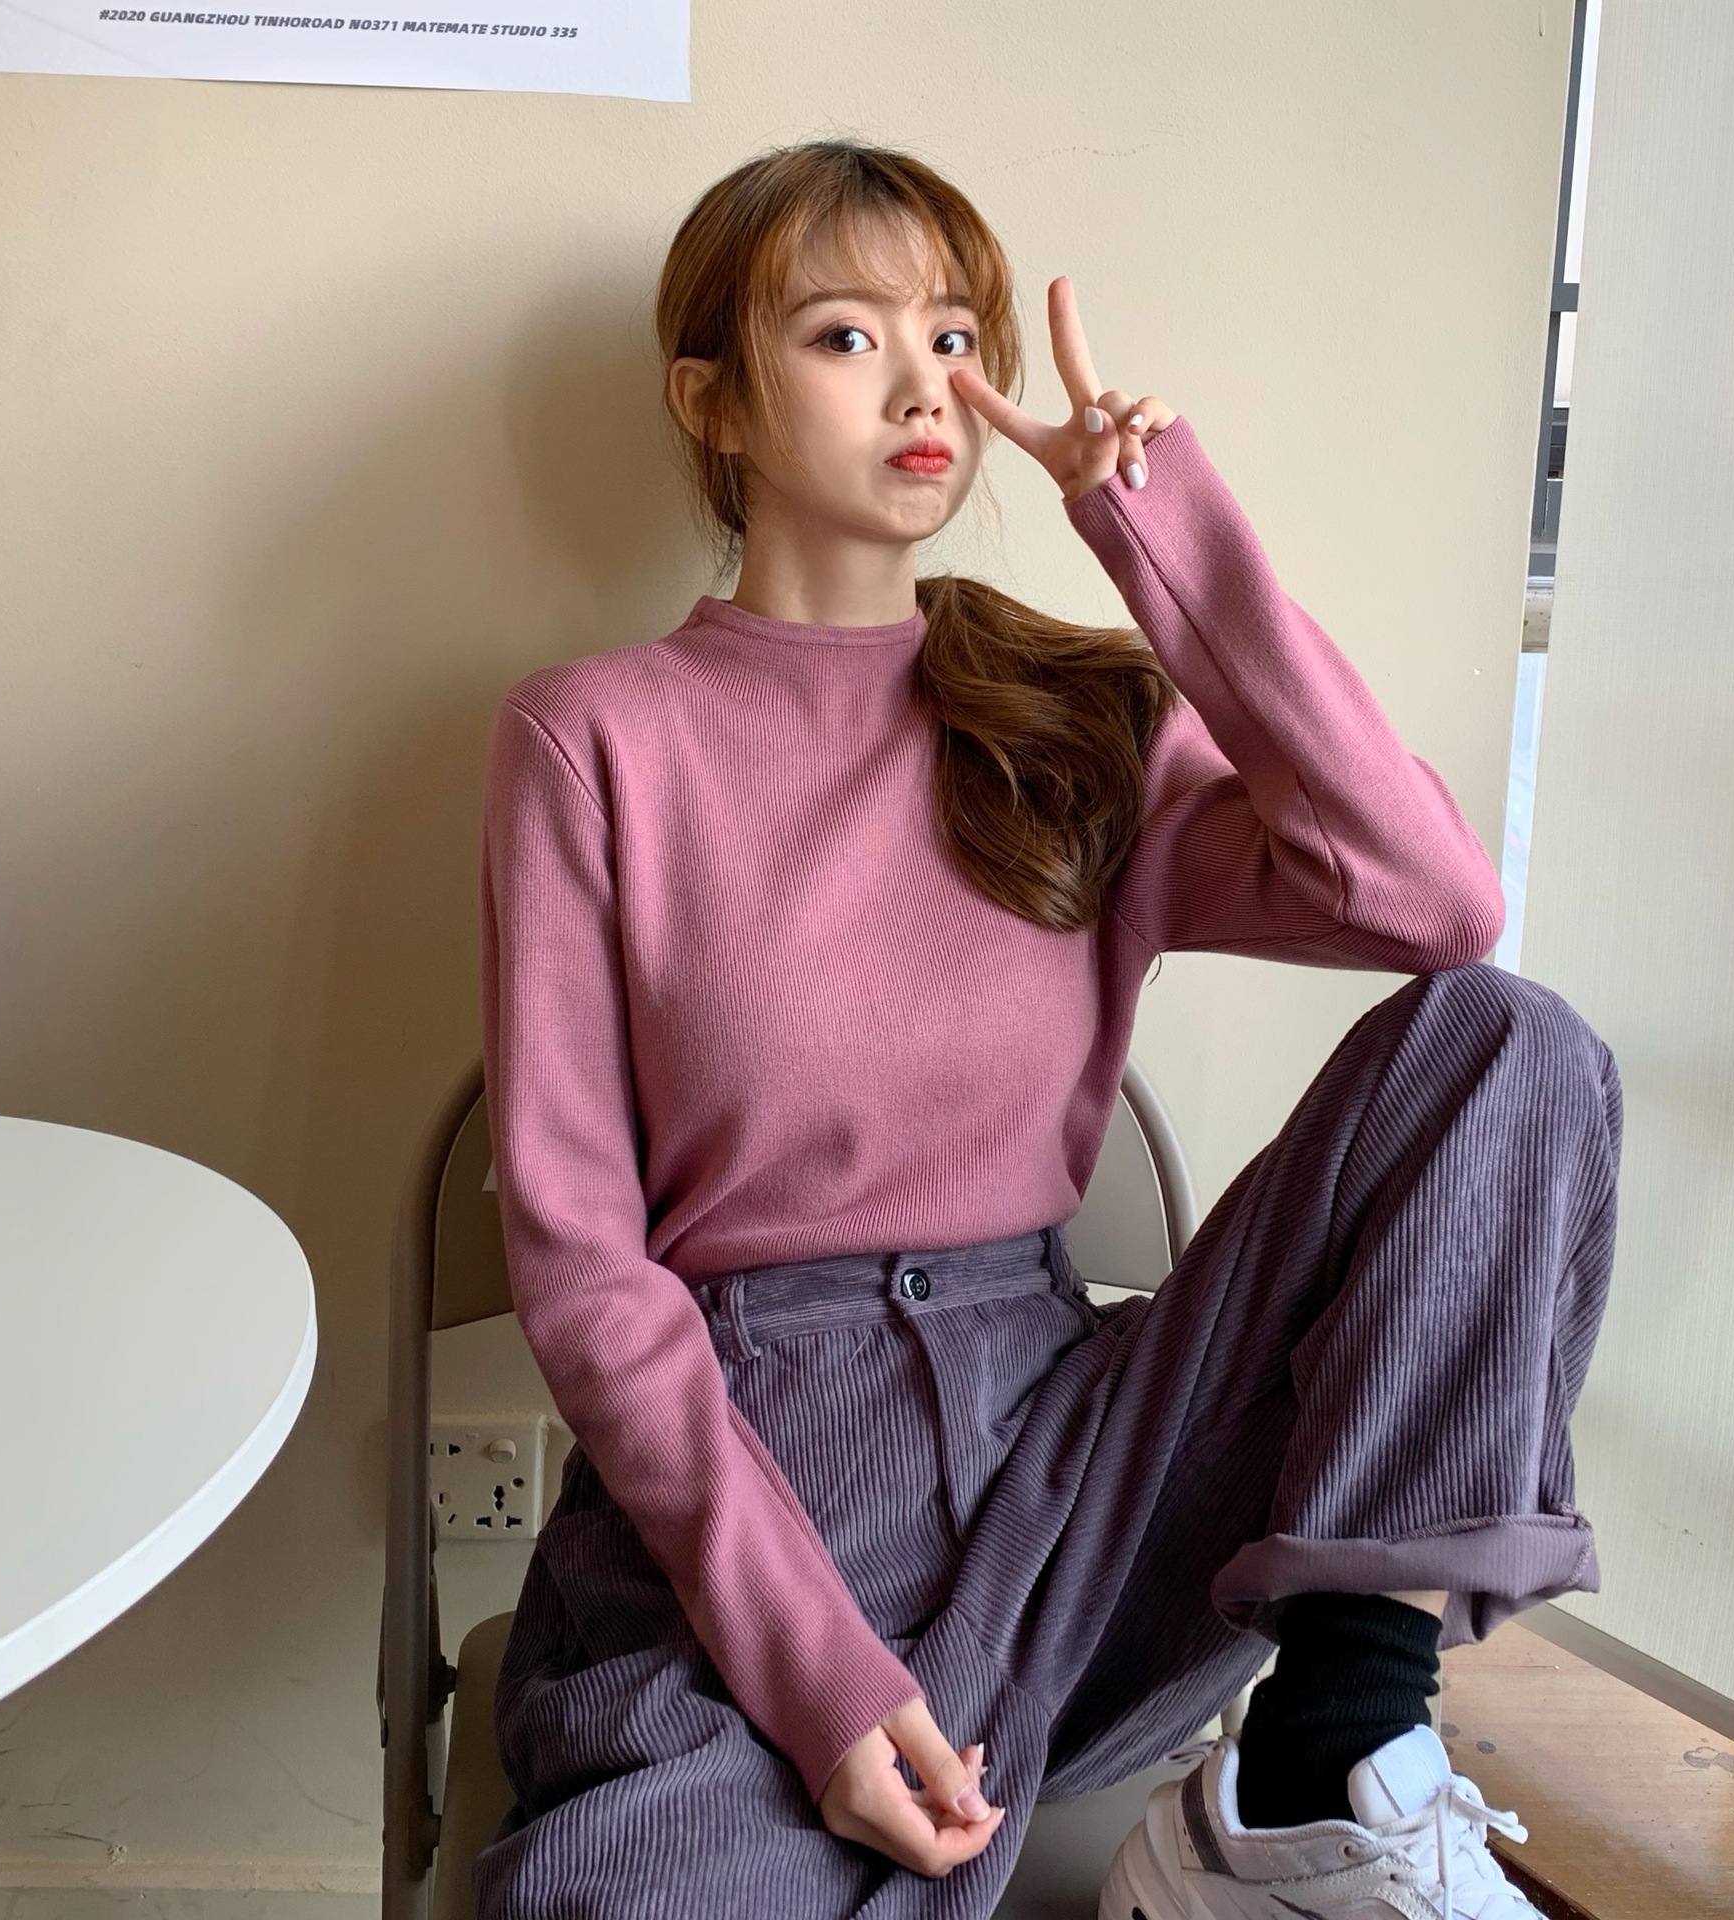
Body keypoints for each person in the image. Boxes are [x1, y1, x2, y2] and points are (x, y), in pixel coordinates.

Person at [471, 138, 1621, 1920]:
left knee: (1505, 1044)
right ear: (713, 402)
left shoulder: (1071, 716)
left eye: (951, 335)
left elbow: (1428, 906)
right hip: (758, 1493)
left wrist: (1159, 535)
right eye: (845, 337)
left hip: (1078, 1470)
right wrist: (819, 1683)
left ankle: (1319, 1761)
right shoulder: (591, 741)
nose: (923, 385)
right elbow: (578, 1264)